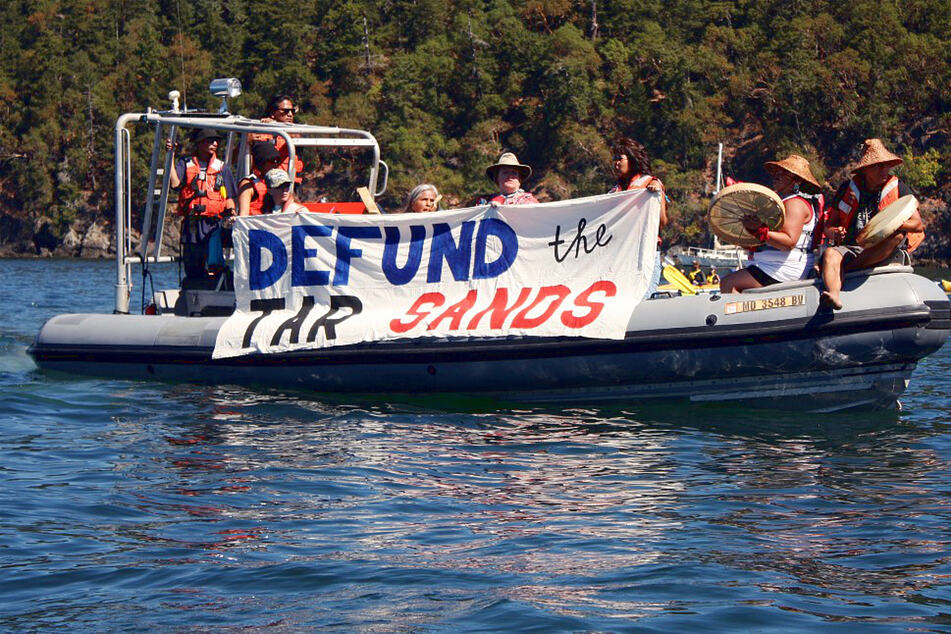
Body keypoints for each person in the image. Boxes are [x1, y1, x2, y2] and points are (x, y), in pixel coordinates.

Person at [819, 139, 924, 309]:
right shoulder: (847, 189)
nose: (884, 170)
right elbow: (828, 226)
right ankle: (833, 295)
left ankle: (847, 268)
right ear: (865, 169)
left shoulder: (899, 188)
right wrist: (835, 233)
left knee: (897, 236)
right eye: (877, 166)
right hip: (851, 248)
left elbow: (917, 225)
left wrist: (889, 224)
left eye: (886, 165)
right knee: (831, 253)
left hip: (881, 248)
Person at [720, 154, 822, 293]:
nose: (776, 176)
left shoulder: (795, 204)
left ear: (796, 180)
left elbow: (789, 242)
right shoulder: (781, 202)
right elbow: (764, 239)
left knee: (728, 283)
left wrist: (760, 230)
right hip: (769, 266)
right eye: (776, 172)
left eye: (783, 173)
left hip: (784, 269)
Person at [168, 128, 237, 285]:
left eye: (216, 141)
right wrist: (170, 156)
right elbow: (175, 183)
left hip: (213, 224)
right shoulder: (185, 164)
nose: (214, 144)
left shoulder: (222, 167)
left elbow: (230, 196)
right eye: (209, 140)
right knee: (193, 266)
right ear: (199, 143)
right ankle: (194, 288)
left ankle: (217, 284)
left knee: (215, 263)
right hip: (193, 224)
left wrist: (232, 214)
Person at [609, 138, 668, 297]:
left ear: (632, 159)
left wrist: (656, 195)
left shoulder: (651, 183)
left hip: (646, 253)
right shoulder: (614, 191)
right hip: (622, 255)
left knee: (644, 298)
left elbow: (662, 222)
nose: (615, 163)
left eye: (619, 158)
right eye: (614, 159)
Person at [260, 94, 305, 183]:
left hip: (289, 183)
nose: (290, 114)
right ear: (273, 113)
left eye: (292, 111)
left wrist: (277, 126)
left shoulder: (295, 131)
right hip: (265, 182)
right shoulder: (260, 131)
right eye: (286, 111)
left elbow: (298, 138)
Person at [238, 142, 283, 216]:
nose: (275, 165)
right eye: (271, 161)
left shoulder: (281, 181)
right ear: (261, 162)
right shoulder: (248, 184)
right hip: (255, 225)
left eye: (277, 161)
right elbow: (243, 214)